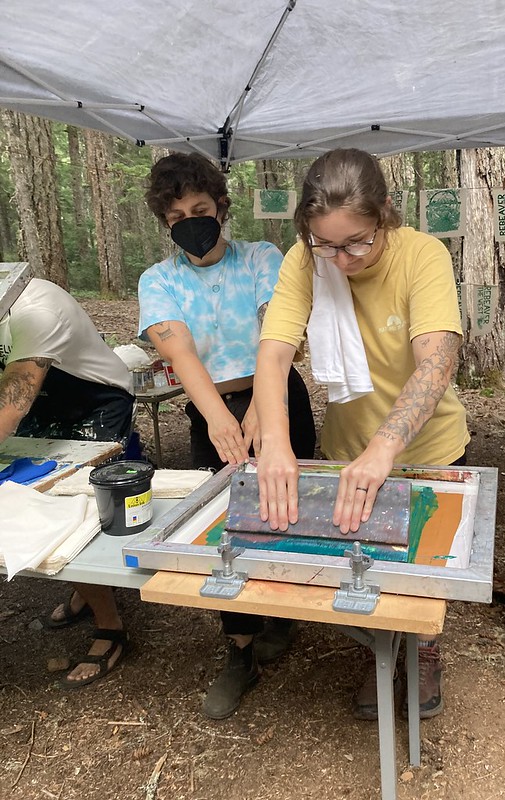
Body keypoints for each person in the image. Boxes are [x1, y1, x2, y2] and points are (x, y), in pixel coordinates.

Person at [254, 148, 470, 720]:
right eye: (325, 243)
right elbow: (274, 356)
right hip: (347, 446)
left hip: (427, 445)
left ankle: (423, 651)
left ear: (386, 215)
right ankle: (379, 650)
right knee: (364, 560)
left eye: (356, 242)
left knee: (423, 568)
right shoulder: (304, 261)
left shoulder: (423, 255)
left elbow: (436, 361)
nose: (341, 260)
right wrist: (275, 443)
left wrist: (385, 447)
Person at [139, 152, 316, 719]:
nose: (191, 222)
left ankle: (285, 614)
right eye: (177, 217)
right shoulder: (159, 280)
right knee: (225, 529)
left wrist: (265, 409)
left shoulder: (263, 258)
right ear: (166, 224)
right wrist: (217, 416)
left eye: (200, 208)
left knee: (289, 512)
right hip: (209, 404)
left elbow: (280, 334)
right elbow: (180, 351)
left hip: (279, 395)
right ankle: (238, 648)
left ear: (220, 206)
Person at [0, 277, 135, 688]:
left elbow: (13, 402)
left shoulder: (36, 311)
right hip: (41, 398)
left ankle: (110, 627)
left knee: (71, 503)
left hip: (94, 398)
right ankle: (86, 590)